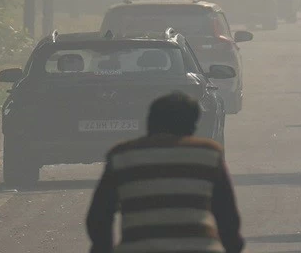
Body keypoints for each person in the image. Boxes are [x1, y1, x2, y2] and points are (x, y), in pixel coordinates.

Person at [86, 92, 243, 253]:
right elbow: (227, 217)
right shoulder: (208, 154)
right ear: (192, 126)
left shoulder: (121, 156)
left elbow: (99, 216)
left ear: (150, 121)